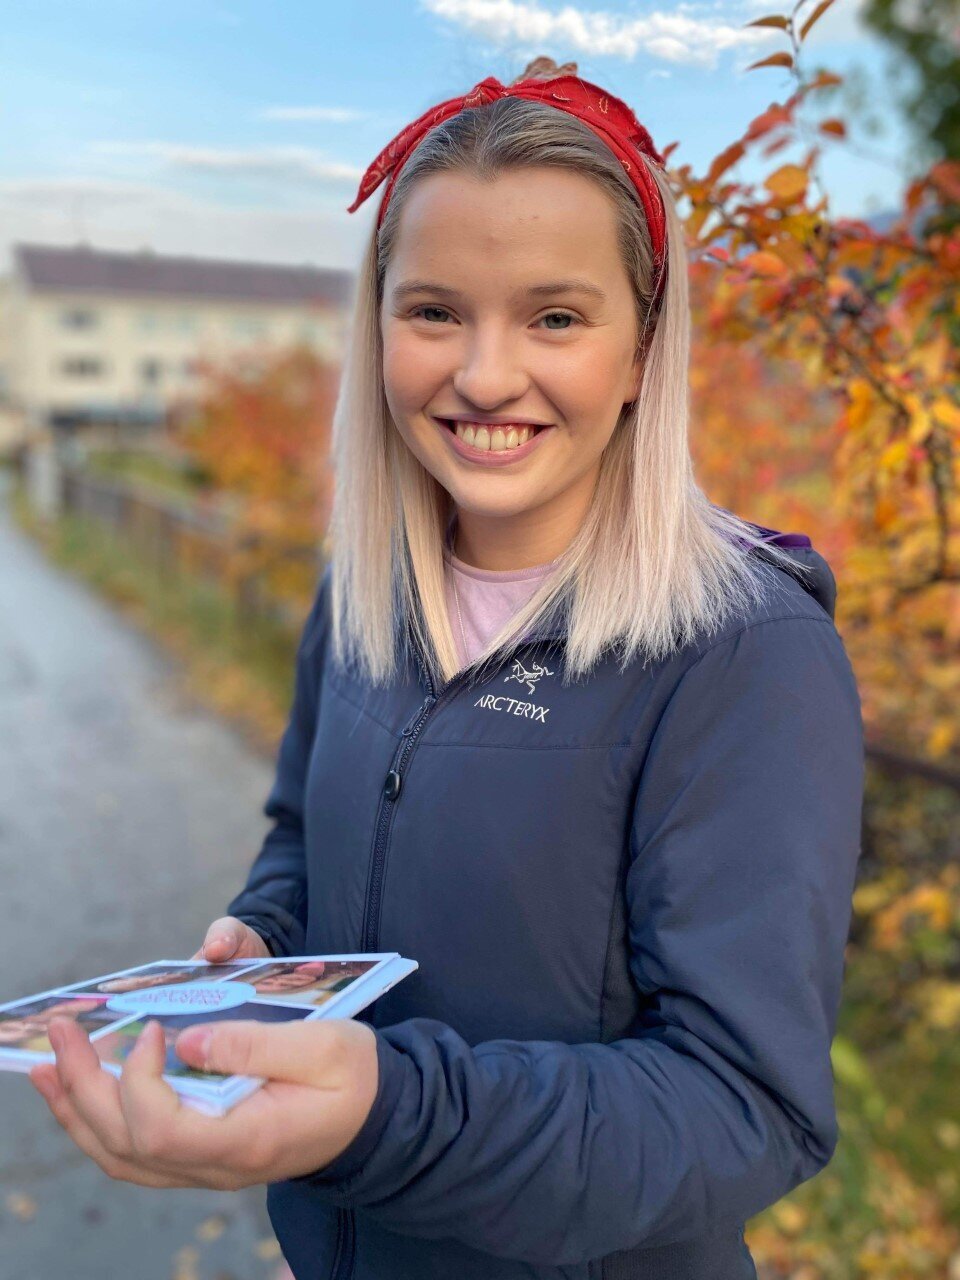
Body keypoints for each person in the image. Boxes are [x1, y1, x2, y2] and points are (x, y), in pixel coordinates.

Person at [30, 57, 865, 1280]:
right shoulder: (365, 586)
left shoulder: (745, 653)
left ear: (643, 348)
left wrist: (383, 1111)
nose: (482, 374)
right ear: (378, 327)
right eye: (433, 311)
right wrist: (264, 944)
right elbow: (299, 837)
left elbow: (747, 1107)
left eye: (555, 317)